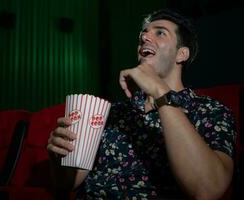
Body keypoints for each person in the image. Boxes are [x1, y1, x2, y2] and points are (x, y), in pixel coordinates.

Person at [47, 9, 236, 200]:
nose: (145, 36)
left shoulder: (210, 110)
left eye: (160, 32)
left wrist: (160, 91)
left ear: (182, 54)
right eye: (143, 34)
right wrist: (59, 157)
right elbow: (69, 184)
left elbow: (208, 190)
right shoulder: (113, 113)